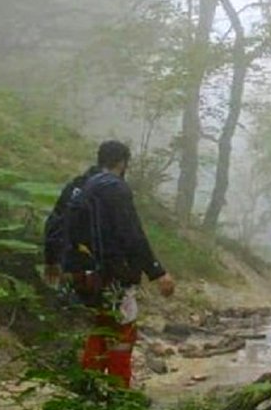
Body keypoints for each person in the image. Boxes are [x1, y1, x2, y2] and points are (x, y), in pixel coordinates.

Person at [44, 140, 176, 388]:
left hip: (80, 272)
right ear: (123, 162)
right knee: (123, 330)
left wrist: (51, 260)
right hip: (113, 273)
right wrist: (157, 272)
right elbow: (132, 234)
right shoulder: (115, 188)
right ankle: (119, 392)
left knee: (102, 324)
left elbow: (54, 222)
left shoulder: (79, 185)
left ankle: (89, 386)